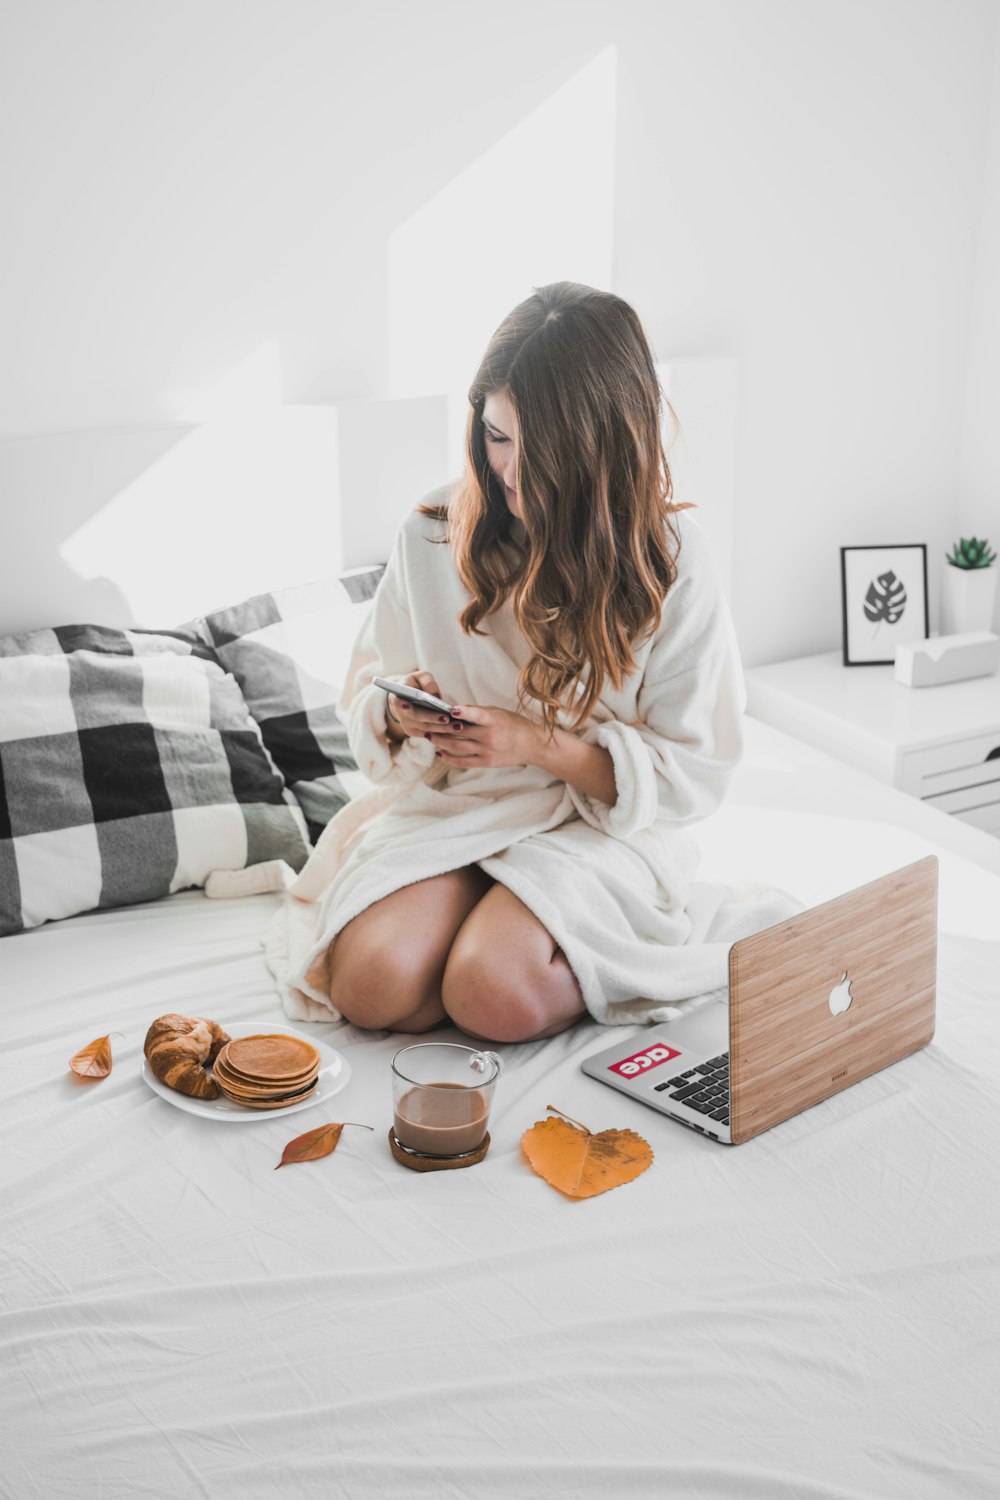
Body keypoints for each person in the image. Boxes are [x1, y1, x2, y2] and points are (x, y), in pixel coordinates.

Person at [288, 281, 745, 1042]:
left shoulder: (671, 562)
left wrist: (535, 745)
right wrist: (399, 712)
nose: (510, 472)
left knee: (491, 993)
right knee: (368, 987)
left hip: (597, 828)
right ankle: (478, 908)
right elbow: (367, 693)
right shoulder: (432, 535)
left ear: (607, 444)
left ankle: (537, 937)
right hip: (459, 808)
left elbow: (693, 774)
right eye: (497, 435)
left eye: (545, 451)